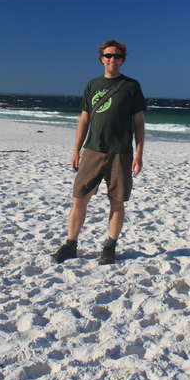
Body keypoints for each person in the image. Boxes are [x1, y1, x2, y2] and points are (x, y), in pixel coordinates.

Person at [53, 39, 146, 265]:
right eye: (107, 56)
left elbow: (139, 123)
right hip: (92, 150)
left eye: (116, 56)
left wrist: (139, 154)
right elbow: (84, 118)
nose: (111, 59)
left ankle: (109, 247)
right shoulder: (92, 85)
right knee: (79, 199)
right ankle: (70, 245)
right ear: (101, 59)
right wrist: (76, 150)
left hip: (121, 153)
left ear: (123, 59)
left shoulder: (131, 86)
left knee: (117, 202)